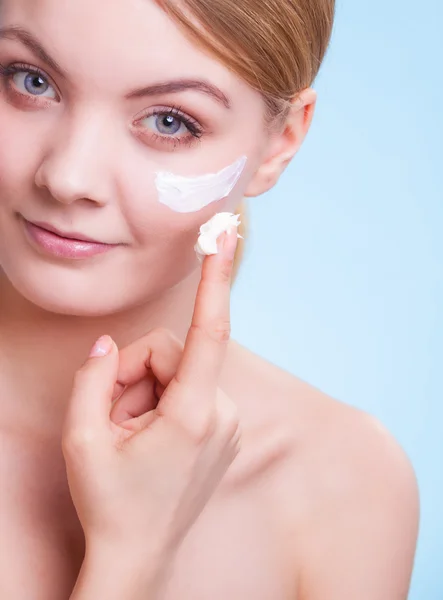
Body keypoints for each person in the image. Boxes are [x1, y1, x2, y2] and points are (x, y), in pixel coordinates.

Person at [0, 0, 420, 598]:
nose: (68, 177)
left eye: (170, 121)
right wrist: (131, 560)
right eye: (31, 81)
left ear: (281, 143)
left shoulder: (346, 483)